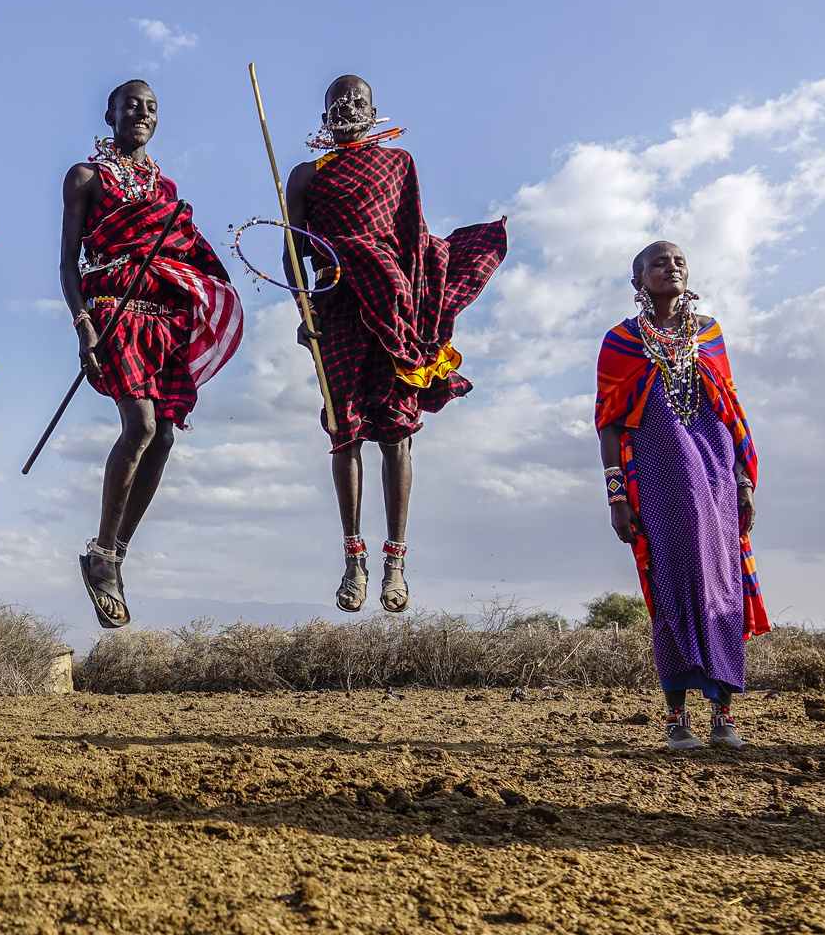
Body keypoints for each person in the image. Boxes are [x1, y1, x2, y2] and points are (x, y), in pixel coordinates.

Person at [284, 75, 506, 613]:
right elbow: (292, 251)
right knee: (345, 431)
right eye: (337, 101)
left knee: (396, 433)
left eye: (358, 100)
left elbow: (411, 239)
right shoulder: (304, 175)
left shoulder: (398, 163)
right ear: (323, 114)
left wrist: (414, 302)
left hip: (393, 303)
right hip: (337, 307)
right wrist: (303, 309)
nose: (348, 107)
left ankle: (395, 562)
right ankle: (353, 559)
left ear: (375, 110)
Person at [58, 79, 243, 627]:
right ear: (109, 113)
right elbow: (68, 261)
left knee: (162, 435)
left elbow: (191, 250)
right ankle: (103, 554)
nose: (141, 113)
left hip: (164, 320)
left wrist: (219, 285)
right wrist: (83, 325)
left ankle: (108, 556)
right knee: (138, 426)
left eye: (152, 107)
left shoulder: (168, 190)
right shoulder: (85, 176)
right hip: (112, 311)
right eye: (131, 105)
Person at [595, 240, 770, 750]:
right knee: (671, 587)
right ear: (638, 282)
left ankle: (724, 717)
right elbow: (607, 425)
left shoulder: (710, 332)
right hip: (657, 475)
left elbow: (730, 412)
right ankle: (676, 720)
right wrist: (616, 497)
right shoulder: (620, 342)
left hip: (716, 474)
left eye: (679, 262)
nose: (670, 268)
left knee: (722, 587)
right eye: (658, 263)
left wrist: (743, 482)